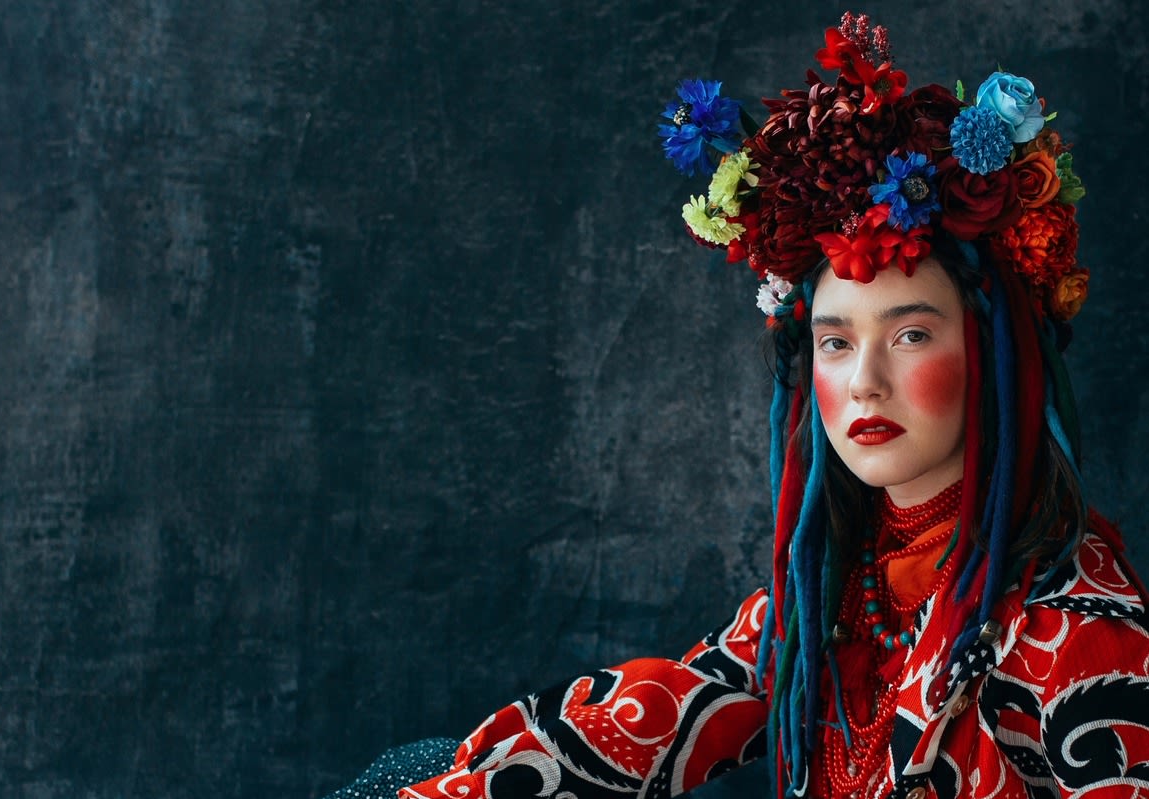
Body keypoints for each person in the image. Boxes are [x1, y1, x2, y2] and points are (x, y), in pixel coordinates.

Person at [331, 12, 1149, 799]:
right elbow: (677, 704)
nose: (863, 380)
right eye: (835, 341)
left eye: (907, 337)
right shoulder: (835, 581)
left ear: (991, 357)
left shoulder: (1072, 620)